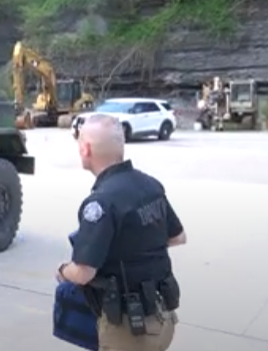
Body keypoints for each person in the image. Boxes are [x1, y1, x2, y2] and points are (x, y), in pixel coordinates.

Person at [56, 114, 187, 351]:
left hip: (130, 331)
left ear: (85, 149)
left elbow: (83, 272)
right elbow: (177, 236)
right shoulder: (150, 185)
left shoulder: (100, 203)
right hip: (163, 317)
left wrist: (63, 271)